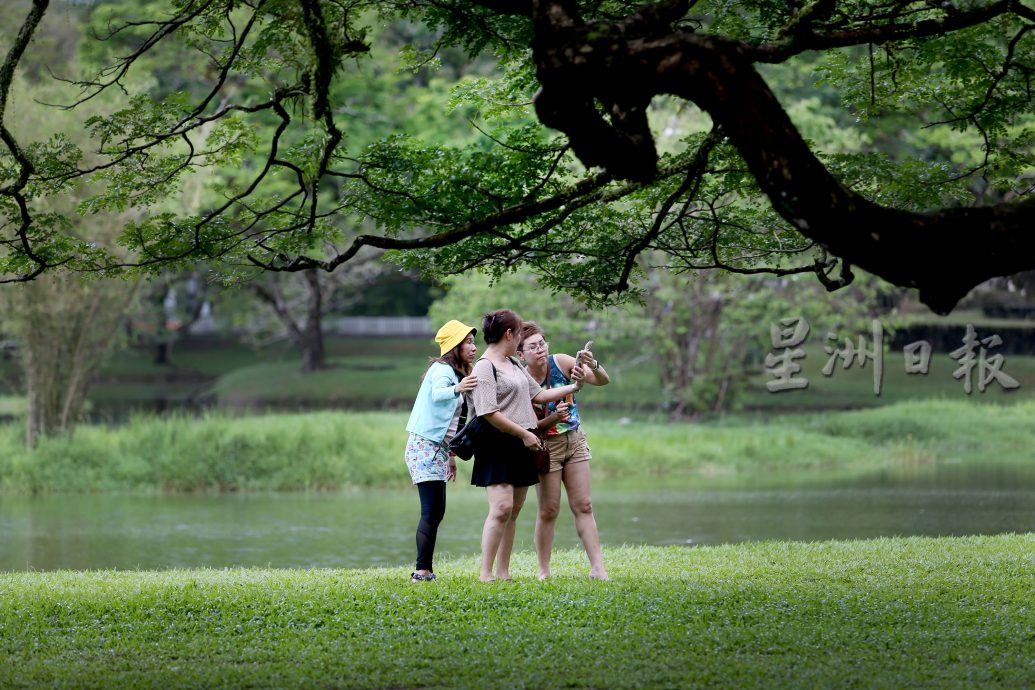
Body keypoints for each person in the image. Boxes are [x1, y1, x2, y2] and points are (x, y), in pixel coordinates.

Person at [468, 309, 585, 583]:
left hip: (523, 442)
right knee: (500, 508)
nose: (521, 337)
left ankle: (504, 573)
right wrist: (525, 434)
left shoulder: (514, 364)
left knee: (514, 511)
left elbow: (540, 395)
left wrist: (572, 388)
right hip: (498, 443)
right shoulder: (485, 367)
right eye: (519, 332)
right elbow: (487, 412)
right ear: (509, 334)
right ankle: (486, 574)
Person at [518, 322, 610, 580]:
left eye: (542, 343)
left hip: (575, 439)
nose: (540, 349)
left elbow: (603, 381)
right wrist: (552, 420)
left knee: (584, 504)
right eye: (532, 346)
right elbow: (527, 426)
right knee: (549, 510)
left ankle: (598, 569)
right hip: (546, 447)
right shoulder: (520, 380)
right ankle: (544, 571)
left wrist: (591, 365)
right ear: (520, 354)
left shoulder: (560, 362)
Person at [403, 319, 479, 582]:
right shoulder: (442, 369)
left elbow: (452, 418)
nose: (474, 347)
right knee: (432, 511)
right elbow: (438, 394)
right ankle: (421, 571)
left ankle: (425, 569)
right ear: (455, 346)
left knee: (436, 511)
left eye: (473, 341)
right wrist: (459, 388)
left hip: (437, 449)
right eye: (468, 342)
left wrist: (450, 456)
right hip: (424, 447)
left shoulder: (455, 372)